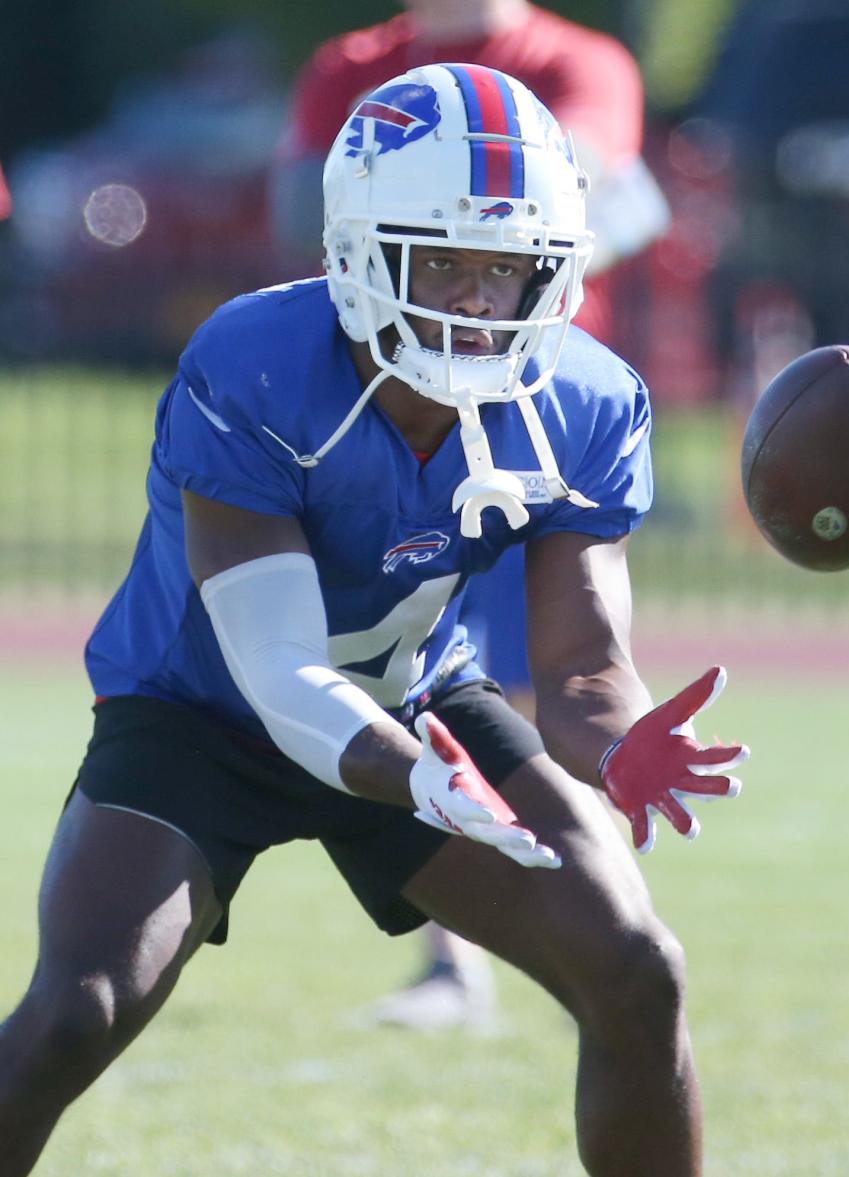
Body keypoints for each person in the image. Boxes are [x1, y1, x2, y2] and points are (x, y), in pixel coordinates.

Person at [0, 66, 747, 1177]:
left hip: (421, 703)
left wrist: (622, 739)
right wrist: (413, 779)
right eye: (443, 258)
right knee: (79, 1009)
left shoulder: (585, 399)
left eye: (510, 266)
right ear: (356, 251)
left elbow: (583, 660)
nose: (478, 300)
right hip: (206, 716)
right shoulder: (254, 366)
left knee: (636, 965)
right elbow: (278, 666)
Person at [271, 0, 672, 1028]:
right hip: (387, 420)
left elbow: (606, 207)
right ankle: (468, 958)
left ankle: (594, 920)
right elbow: (297, 222)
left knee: (543, 684)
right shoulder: (350, 64)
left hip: (530, 428)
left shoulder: (579, 61)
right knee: (402, 686)